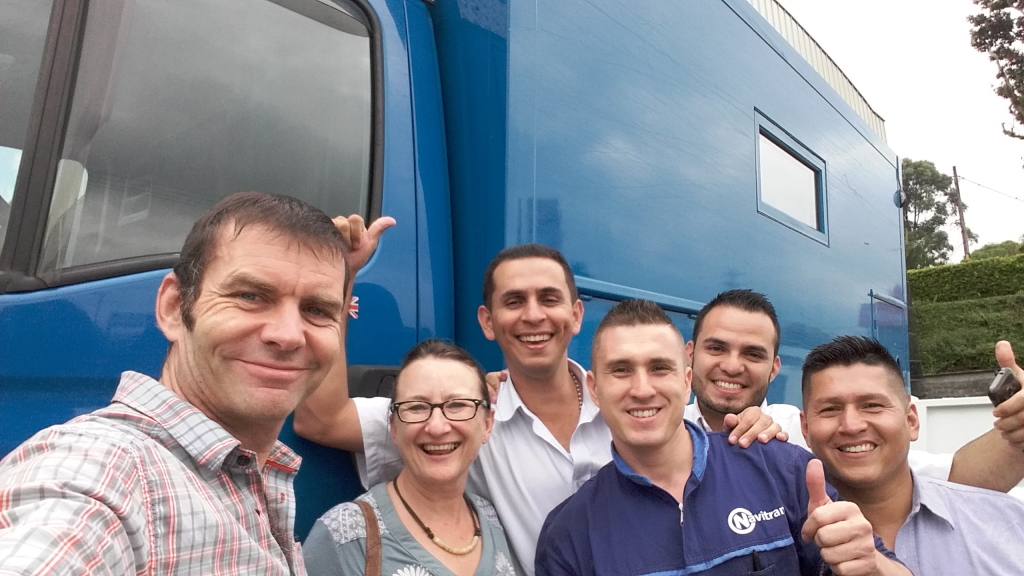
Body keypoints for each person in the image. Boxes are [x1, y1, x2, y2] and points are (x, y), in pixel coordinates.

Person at [295, 241, 781, 575]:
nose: (533, 315)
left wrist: (763, 420)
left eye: (549, 298)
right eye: (514, 301)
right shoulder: (464, 416)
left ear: (575, 314)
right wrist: (341, 280)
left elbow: (716, 444)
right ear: (487, 321)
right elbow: (320, 419)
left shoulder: (640, 408)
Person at [0, 192, 358, 575]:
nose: (288, 335)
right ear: (173, 307)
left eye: (317, 310)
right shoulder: (103, 468)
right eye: (250, 296)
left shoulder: (254, 471)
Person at [536, 299, 910, 576]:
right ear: (594, 388)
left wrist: (871, 565)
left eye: (660, 368)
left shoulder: (784, 470)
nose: (643, 389)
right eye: (621, 370)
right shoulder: (569, 533)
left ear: (686, 381)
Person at [684, 288, 1024, 491]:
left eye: (753, 354)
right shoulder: (663, 433)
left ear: (774, 368)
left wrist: (1018, 432)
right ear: (690, 354)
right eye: (716, 348)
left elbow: (956, 477)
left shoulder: (801, 433)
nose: (732, 366)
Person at [800, 335, 1024, 574]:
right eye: (830, 409)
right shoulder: (784, 540)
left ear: (911, 420)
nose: (852, 426)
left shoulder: (1006, 523)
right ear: (805, 429)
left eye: (872, 405)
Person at [303, 339, 517, 576]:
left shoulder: (490, 519)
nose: (437, 427)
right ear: (394, 428)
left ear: (487, 424)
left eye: (457, 405)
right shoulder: (344, 537)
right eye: (417, 407)